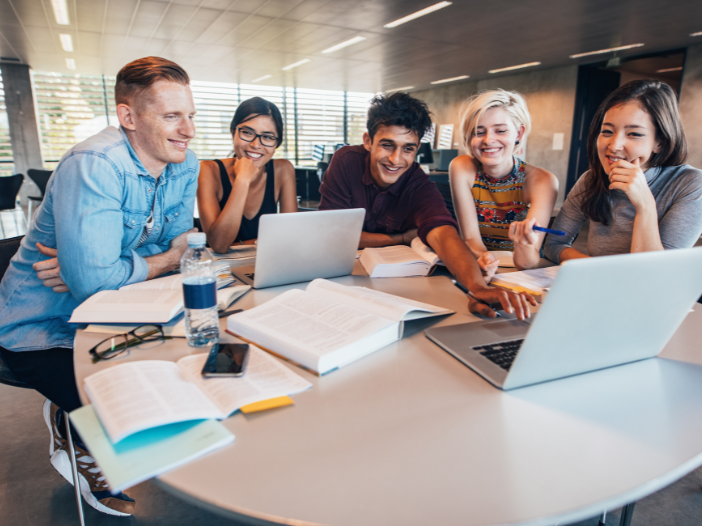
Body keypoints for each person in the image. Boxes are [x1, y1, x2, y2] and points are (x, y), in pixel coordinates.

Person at [0, 56, 200, 516]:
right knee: (136, 403)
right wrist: (161, 257)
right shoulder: (93, 164)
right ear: (128, 117)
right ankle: (72, 423)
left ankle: (78, 411)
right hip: (42, 327)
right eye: (172, 116)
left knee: (194, 372)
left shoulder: (183, 163)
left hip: (123, 313)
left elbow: (178, 254)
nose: (187, 130)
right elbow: (99, 281)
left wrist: (115, 265)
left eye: (190, 115)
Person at [318, 92, 536, 320]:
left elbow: (443, 234)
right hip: (340, 279)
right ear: (368, 141)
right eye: (387, 145)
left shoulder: (417, 182)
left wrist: (477, 288)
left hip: (391, 285)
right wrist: (400, 238)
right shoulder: (346, 161)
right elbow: (333, 234)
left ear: (417, 148)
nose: (395, 159)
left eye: (408, 149)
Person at [543, 79, 702, 263]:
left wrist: (644, 205)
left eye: (634, 134)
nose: (615, 145)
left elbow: (655, 273)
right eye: (607, 131)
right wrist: (594, 270)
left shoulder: (691, 184)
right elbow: (554, 244)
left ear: (660, 142)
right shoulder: (591, 179)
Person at [450, 89, 559, 276]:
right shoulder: (462, 167)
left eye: (500, 130)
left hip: (524, 273)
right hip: (483, 267)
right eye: (479, 132)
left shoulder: (543, 181)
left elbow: (528, 262)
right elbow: (471, 239)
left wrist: (522, 244)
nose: (488, 140)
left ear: (519, 133)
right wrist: (485, 259)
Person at [197, 97, 297, 253]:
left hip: (268, 263)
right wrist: (242, 180)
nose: (255, 145)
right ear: (233, 132)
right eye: (247, 132)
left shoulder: (283, 170)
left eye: (268, 137)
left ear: (276, 143)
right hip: (223, 270)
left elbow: (290, 237)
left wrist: (238, 245)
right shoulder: (208, 170)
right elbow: (219, 245)